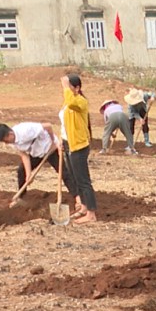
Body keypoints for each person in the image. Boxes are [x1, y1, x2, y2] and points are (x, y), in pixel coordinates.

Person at [59, 73, 98, 224]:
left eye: (70, 87)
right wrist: (63, 139)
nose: (66, 90)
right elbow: (65, 123)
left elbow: (71, 103)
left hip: (79, 146)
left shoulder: (80, 101)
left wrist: (65, 88)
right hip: (69, 144)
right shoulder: (68, 101)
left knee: (83, 180)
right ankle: (83, 207)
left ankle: (91, 214)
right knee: (75, 178)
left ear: (77, 88)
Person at [0, 120, 69, 197]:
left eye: (5, 141)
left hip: (50, 148)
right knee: (21, 171)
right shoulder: (12, 143)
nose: (6, 143)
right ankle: (21, 197)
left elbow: (48, 126)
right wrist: (28, 174)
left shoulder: (25, 130)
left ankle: (77, 197)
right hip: (36, 153)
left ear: (10, 134)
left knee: (63, 172)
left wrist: (53, 142)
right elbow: (24, 156)